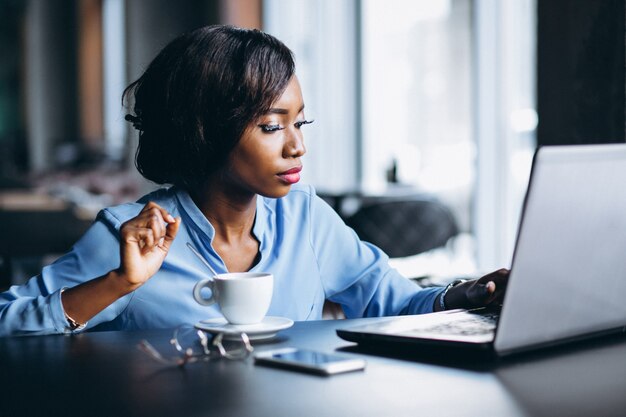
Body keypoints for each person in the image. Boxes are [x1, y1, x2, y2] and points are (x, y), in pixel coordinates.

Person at [0, 25, 508, 337]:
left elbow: (395, 301)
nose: (297, 146)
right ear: (206, 129)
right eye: (271, 126)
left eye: (299, 123)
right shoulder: (130, 236)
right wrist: (119, 284)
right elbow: (8, 322)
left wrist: (473, 294)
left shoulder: (305, 218)